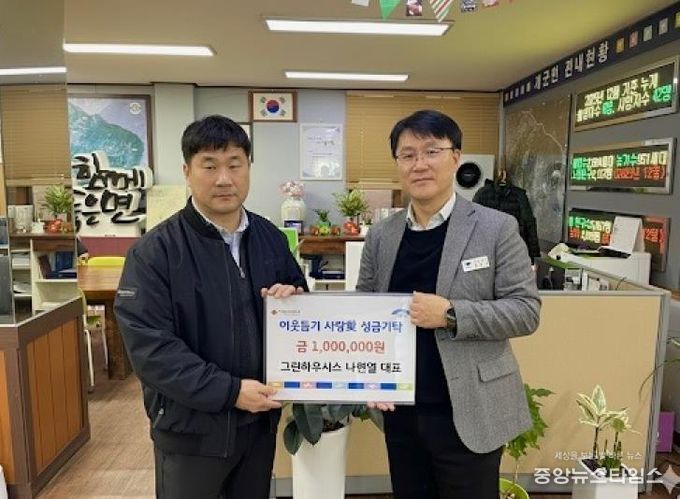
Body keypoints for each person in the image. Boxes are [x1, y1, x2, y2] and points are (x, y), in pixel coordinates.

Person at [114, 115, 307, 499]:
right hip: (191, 431)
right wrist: (230, 391)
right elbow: (151, 350)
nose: (224, 179)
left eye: (235, 164)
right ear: (187, 171)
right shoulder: (155, 252)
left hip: (258, 424)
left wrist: (295, 297)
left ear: (248, 167)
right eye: (209, 165)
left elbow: (299, 303)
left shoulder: (270, 238)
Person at [357, 109, 541, 498]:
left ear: (455, 157)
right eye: (408, 155)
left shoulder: (496, 227)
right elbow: (365, 311)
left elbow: (526, 311)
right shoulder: (381, 235)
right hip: (402, 412)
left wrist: (451, 314)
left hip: (470, 409)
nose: (419, 164)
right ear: (398, 163)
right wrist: (367, 374)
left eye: (431, 151)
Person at [472, 169, 541, 262]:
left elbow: (529, 224)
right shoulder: (483, 194)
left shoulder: (482, 193)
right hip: (508, 250)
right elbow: (529, 225)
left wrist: (534, 256)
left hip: (494, 249)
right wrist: (534, 256)